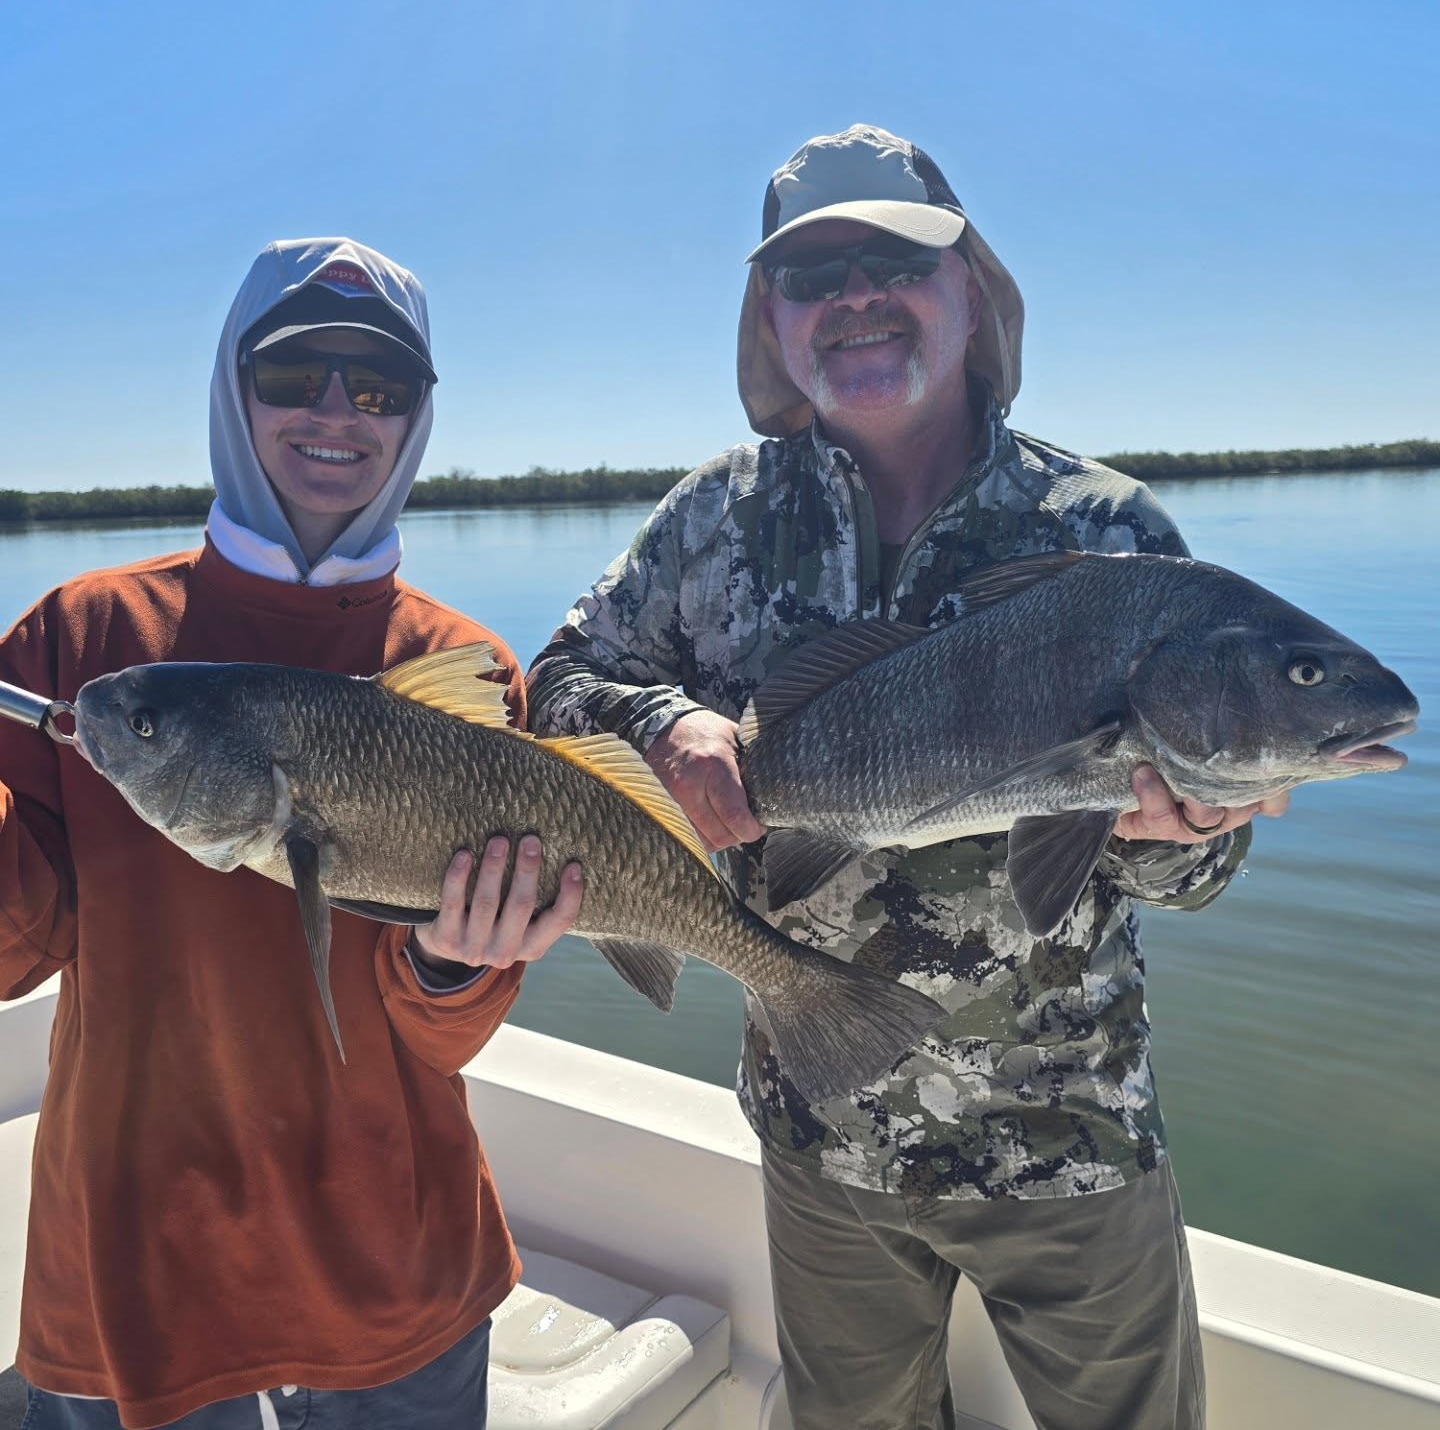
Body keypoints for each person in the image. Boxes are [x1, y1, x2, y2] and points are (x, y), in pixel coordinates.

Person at [527, 125, 1289, 1430]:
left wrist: (1185, 825)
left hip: (1070, 1139)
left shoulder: (1104, 533)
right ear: (770, 319)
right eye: (814, 274)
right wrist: (661, 723)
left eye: (895, 260)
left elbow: (1196, 871)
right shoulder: (710, 521)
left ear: (970, 289)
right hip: (818, 1131)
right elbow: (552, 682)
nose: (856, 298)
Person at [0, 237, 582, 1428]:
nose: (335, 412)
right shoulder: (84, 636)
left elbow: (443, 1034)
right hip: (137, 1253)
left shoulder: (464, 668)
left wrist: (454, 963)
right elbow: (12, 949)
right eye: (293, 373)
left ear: (417, 418)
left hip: (397, 1255)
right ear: (232, 385)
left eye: (378, 387)